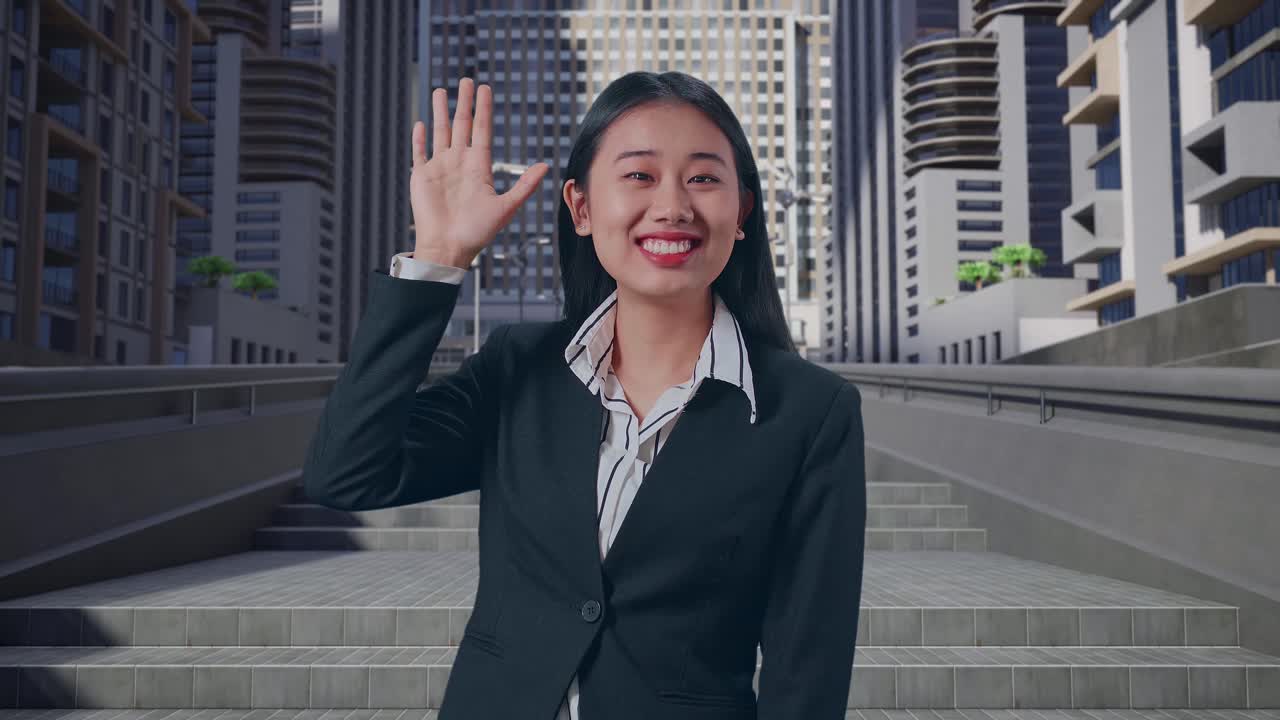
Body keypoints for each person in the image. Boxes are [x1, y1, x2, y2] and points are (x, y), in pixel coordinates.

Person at [302, 71, 867, 720]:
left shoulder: (810, 411)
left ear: (740, 213)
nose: (673, 205)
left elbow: (808, 671)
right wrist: (439, 256)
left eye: (704, 178)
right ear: (581, 208)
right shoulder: (517, 368)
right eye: (639, 175)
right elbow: (347, 473)